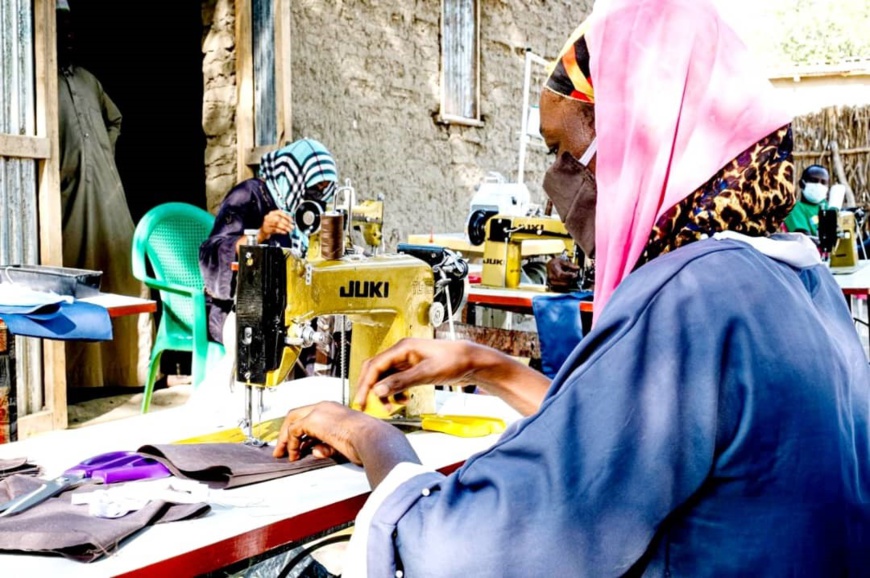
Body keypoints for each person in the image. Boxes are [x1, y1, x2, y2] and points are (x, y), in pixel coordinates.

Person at [273, 0, 870, 575]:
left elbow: (471, 551)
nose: (557, 186)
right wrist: (490, 365)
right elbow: (640, 439)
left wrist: (367, 435)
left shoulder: (689, 301)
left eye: (562, 150)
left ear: (639, 132)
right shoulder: (798, 277)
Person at [57, 1, 145, 388]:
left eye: (72, 28)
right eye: (62, 27)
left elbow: (115, 118)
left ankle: (125, 374)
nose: (69, 36)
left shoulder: (88, 80)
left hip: (108, 195)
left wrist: (101, 154)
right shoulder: (38, 84)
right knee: (75, 283)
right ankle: (78, 381)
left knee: (121, 275)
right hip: (66, 199)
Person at [199, 138, 338, 346]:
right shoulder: (247, 195)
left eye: (322, 189)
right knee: (280, 341)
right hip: (234, 311)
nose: (316, 195)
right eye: (313, 186)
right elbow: (211, 252)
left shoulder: (303, 212)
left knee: (332, 335)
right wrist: (261, 234)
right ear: (294, 177)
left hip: (284, 307)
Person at [784, 164, 830, 237]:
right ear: (802, 184)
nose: (818, 185)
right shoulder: (794, 209)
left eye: (823, 182)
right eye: (814, 181)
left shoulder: (826, 206)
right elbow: (803, 238)